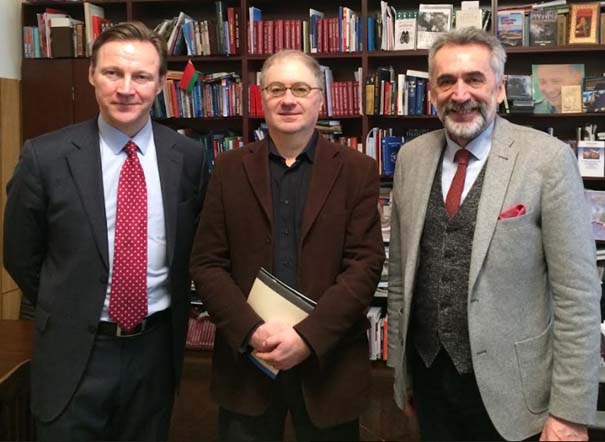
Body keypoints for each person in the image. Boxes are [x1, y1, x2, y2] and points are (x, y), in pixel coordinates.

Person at [387, 28, 600, 441]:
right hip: (429, 379)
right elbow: (400, 277)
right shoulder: (411, 159)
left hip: (516, 394)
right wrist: (403, 373)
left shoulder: (548, 160)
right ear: (432, 93)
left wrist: (570, 412)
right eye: (446, 81)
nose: (460, 94)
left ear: (499, 89)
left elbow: (577, 296)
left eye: (475, 79)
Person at [3, 22, 208, 441]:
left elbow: (196, 246)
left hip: (155, 351)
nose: (126, 89)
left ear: (160, 84)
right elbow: (20, 254)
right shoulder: (45, 156)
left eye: (141, 76)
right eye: (113, 72)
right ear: (92, 74)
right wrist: (68, 303)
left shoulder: (189, 157)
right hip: (74, 349)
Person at [189, 49, 384, 442]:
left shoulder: (357, 169)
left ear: (320, 99)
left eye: (300, 88)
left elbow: (364, 265)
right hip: (248, 365)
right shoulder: (228, 168)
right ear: (262, 98)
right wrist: (251, 331)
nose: (288, 99)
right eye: (276, 89)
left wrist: (307, 337)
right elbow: (207, 263)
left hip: (328, 366)